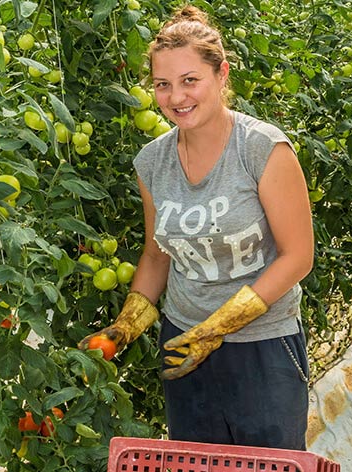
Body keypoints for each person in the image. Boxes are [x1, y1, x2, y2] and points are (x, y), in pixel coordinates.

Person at [79, 5, 314, 451]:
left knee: (269, 461)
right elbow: (156, 255)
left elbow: (297, 256)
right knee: (197, 460)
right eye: (163, 85)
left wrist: (218, 327)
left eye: (191, 80)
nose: (176, 97)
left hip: (262, 346)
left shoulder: (262, 149)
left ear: (221, 74)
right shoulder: (152, 161)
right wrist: (123, 330)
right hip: (182, 344)